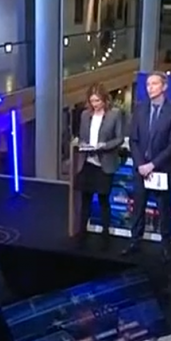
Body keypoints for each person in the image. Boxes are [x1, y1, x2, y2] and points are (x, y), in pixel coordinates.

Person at [126, 71, 171, 262]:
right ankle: (135, 242)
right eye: (148, 84)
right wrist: (141, 164)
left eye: (154, 84)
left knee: (164, 210)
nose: (150, 88)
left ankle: (166, 246)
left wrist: (152, 164)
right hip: (141, 169)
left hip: (162, 169)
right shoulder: (139, 109)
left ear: (164, 86)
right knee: (138, 208)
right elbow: (133, 140)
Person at [74, 84, 124, 249]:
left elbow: (119, 139)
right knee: (85, 200)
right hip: (87, 163)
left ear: (104, 99)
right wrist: (83, 144)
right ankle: (82, 234)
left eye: (97, 101)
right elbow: (82, 137)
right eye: (92, 101)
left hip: (105, 163)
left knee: (103, 201)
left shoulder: (115, 114)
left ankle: (105, 236)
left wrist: (104, 146)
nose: (95, 104)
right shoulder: (85, 115)